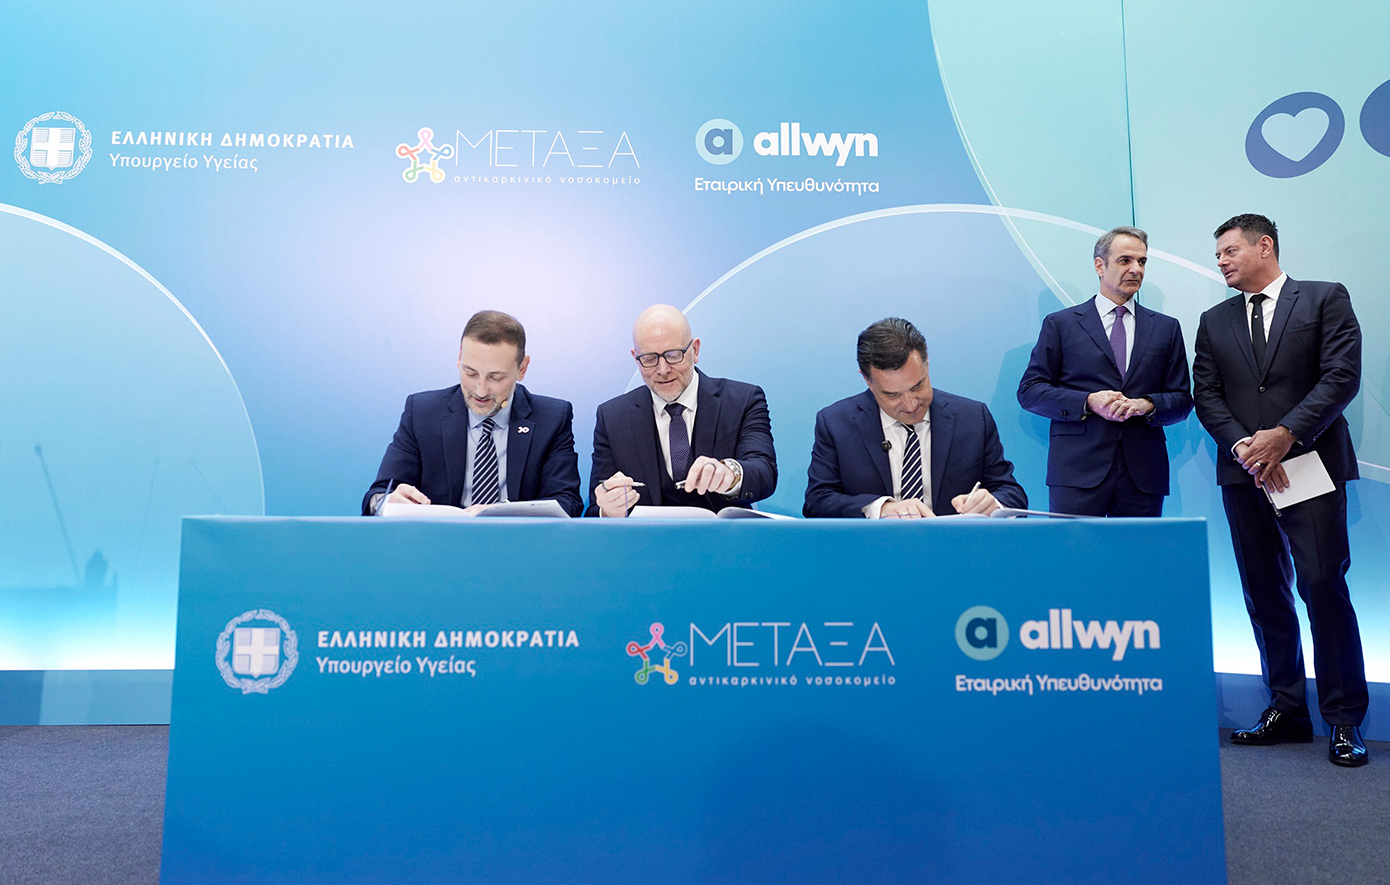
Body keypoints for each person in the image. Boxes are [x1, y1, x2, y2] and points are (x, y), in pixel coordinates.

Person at [1193, 214, 1368, 766]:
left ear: (1264, 246)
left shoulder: (1323, 298)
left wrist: (1286, 434)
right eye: (1217, 254)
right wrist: (1246, 447)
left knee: (1321, 584)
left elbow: (1341, 376)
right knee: (1263, 590)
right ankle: (1287, 709)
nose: (1220, 261)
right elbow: (1206, 393)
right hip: (1244, 472)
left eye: (1228, 251)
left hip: (1309, 466)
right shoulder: (1213, 320)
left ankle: (1344, 720)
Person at [1017, 226, 1193, 516]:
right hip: (1076, 473)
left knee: (1137, 548)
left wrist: (1146, 405)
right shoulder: (1061, 324)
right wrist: (1088, 401)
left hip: (1143, 474)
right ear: (1100, 266)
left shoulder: (1166, 328)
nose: (1136, 269)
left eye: (1142, 261)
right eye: (1125, 260)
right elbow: (1030, 392)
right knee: (1074, 548)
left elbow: (1182, 399)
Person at [363, 310, 583, 517]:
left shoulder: (552, 418)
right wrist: (387, 501)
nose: (480, 391)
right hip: (439, 540)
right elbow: (376, 495)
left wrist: (502, 513)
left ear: (522, 368)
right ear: (459, 358)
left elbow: (568, 502)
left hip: (518, 541)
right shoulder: (422, 412)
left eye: (496, 377)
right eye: (470, 373)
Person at [804, 317, 1026, 518]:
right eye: (892, 395)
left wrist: (993, 504)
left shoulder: (973, 418)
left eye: (918, 386)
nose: (911, 405)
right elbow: (817, 501)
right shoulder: (836, 423)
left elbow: (1011, 493)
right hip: (873, 547)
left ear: (926, 362)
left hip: (954, 546)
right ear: (867, 380)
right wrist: (879, 508)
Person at [589, 304, 776, 517]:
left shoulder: (743, 401)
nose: (663, 370)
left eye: (673, 355)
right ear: (635, 358)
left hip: (724, 536)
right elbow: (595, 510)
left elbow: (764, 472)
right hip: (646, 538)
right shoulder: (612, 417)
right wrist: (608, 510)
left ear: (695, 350)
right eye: (649, 359)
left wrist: (730, 474)